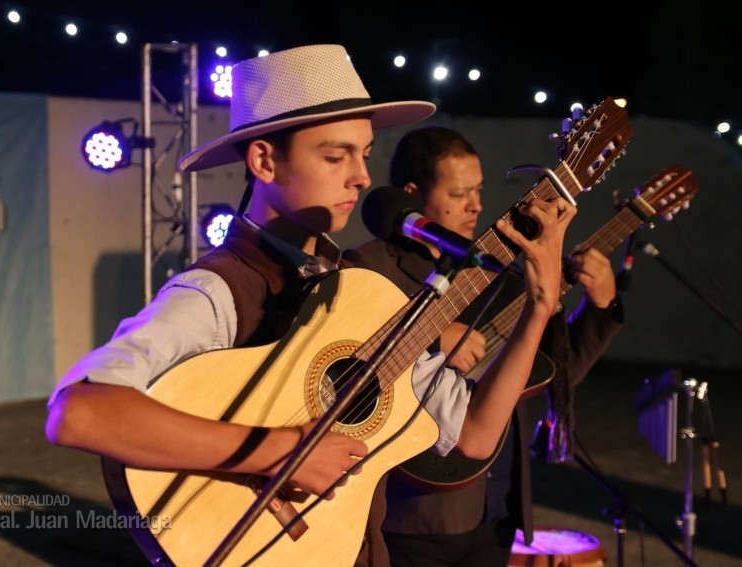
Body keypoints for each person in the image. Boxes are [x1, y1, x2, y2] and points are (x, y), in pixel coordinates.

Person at [44, 45, 575, 566]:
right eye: (334, 156)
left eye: (364, 154)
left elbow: (475, 436)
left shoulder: (361, 293)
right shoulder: (218, 290)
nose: (361, 176)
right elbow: (79, 413)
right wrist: (284, 451)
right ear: (264, 160)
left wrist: (539, 305)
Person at [344, 125, 624, 566]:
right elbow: (345, 372)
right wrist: (431, 339)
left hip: (498, 508)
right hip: (413, 519)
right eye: (459, 193)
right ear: (412, 194)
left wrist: (603, 305)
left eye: (478, 190)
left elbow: (554, 374)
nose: (475, 205)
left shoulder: (495, 273)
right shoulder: (368, 269)